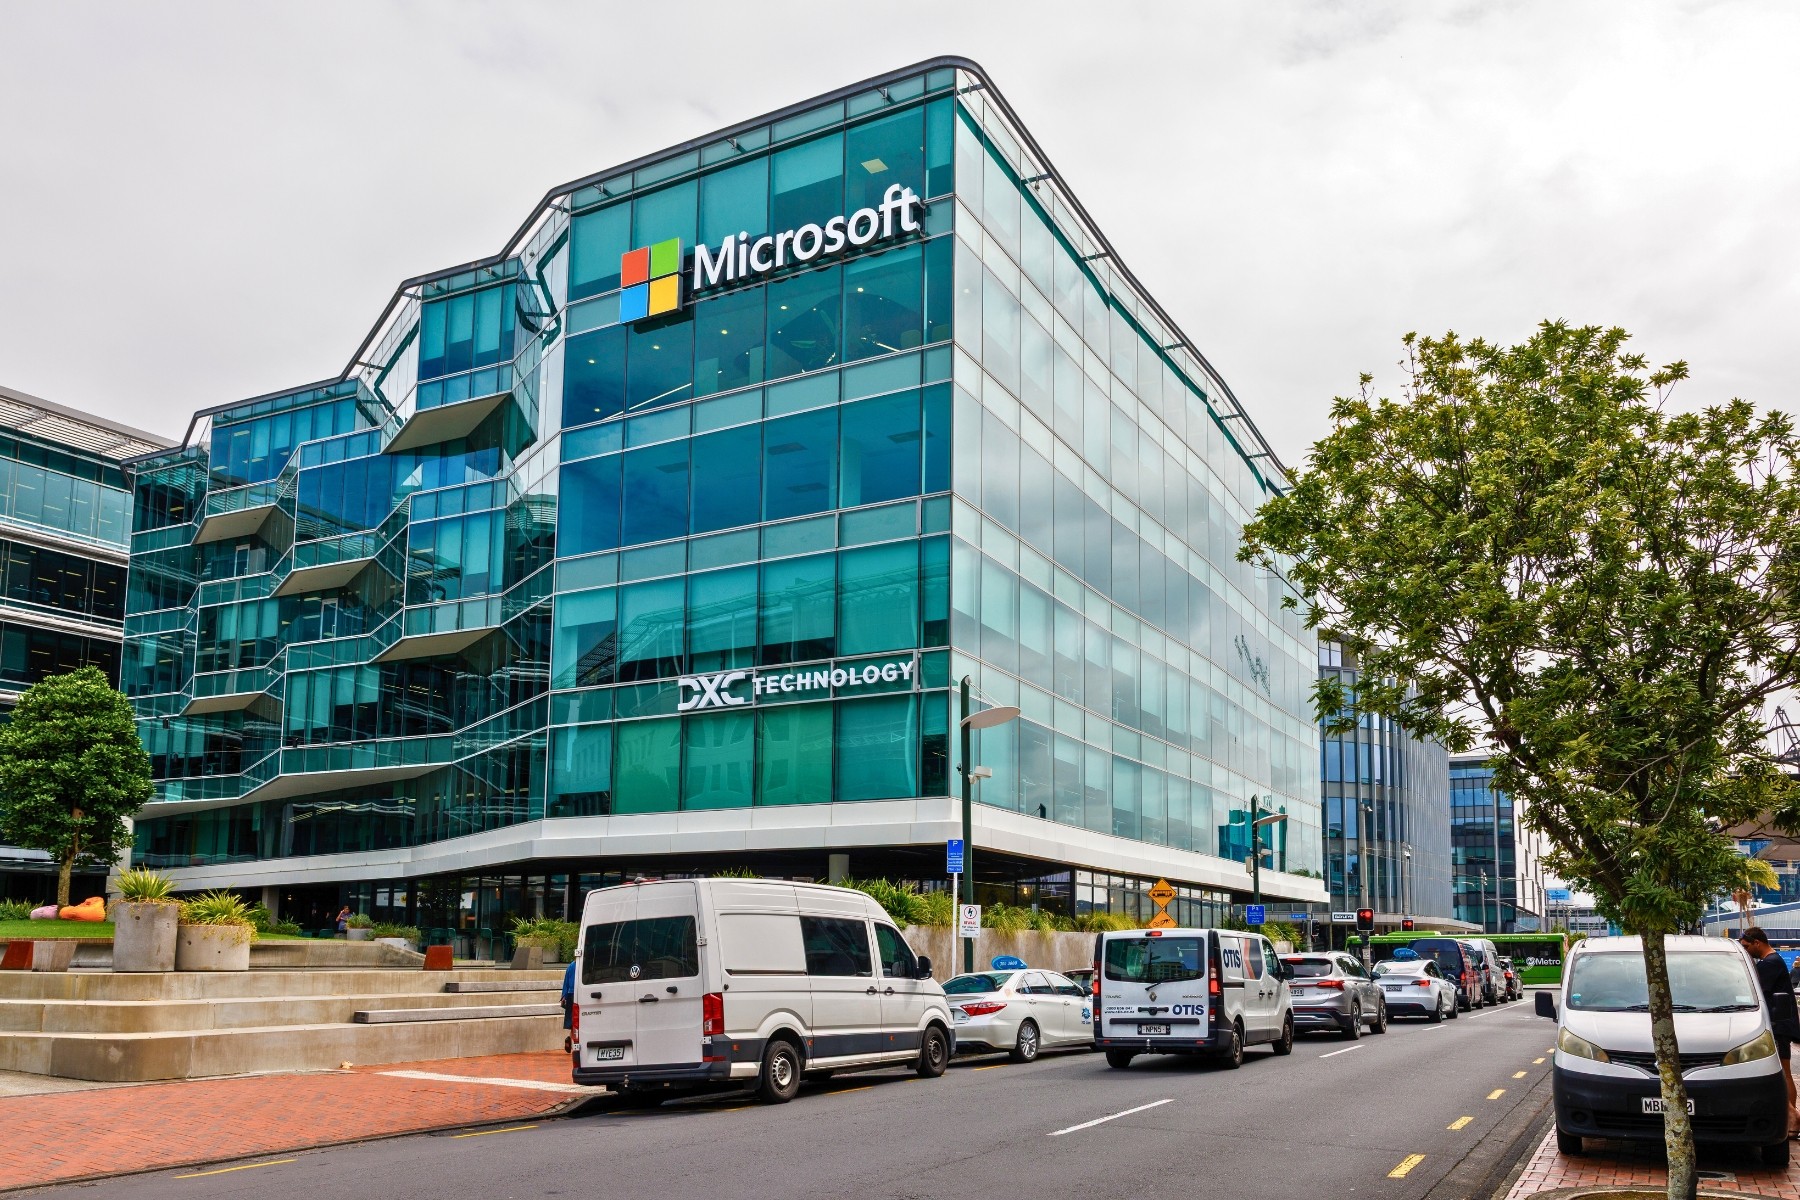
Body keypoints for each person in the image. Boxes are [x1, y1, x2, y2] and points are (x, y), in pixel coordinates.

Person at [1740, 927, 1800, 1137]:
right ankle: (1790, 1119)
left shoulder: (1770, 964)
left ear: (1757, 942)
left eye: (1747, 946)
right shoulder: (1774, 962)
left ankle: (1792, 1117)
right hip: (1782, 1023)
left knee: (1782, 1071)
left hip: (1778, 1024)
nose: (1746, 950)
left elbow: (1755, 992)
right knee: (1785, 1071)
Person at [561, 959, 577, 1054]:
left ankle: (570, 1038)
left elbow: (565, 982)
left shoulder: (570, 966)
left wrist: (563, 996)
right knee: (578, 1019)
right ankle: (574, 1040)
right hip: (578, 993)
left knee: (572, 1019)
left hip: (570, 994)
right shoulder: (582, 966)